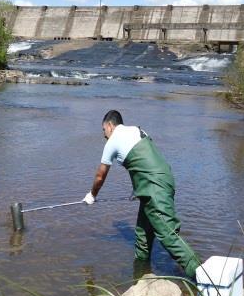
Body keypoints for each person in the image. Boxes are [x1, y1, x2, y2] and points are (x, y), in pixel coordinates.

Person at [84, 110, 199, 278]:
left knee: (167, 234)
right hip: (160, 180)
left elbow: (100, 176)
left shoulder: (112, 141)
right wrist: (138, 188)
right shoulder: (139, 130)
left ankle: (203, 276)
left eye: (103, 130)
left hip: (154, 187)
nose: (104, 135)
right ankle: (140, 278)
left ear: (110, 125)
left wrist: (92, 195)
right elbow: (147, 161)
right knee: (142, 236)